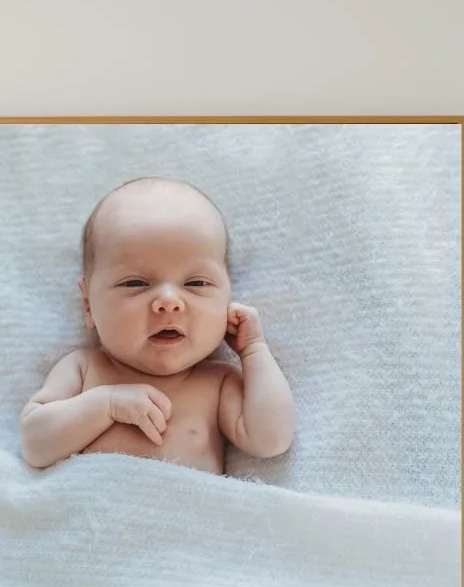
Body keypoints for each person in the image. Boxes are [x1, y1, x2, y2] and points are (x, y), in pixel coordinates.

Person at [20, 177, 296, 473]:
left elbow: (272, 440)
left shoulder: (217, 383)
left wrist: (254, 350)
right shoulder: (85, 368)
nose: (168, 301)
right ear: (88, 305)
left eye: (196, 283)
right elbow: (35, 444)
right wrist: (107, 404)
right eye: (135, 283)